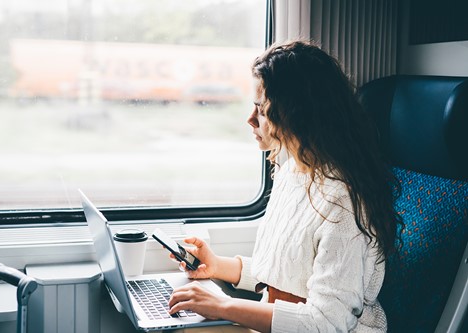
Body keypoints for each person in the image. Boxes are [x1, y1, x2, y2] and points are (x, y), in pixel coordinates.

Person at [168, 40, 402, 333]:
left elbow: (326, 323)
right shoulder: (292, 169)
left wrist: (222, 306)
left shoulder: (343, 204)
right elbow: (288, 278)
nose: (250, 120)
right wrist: (217, 266)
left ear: (296, 115)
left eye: (262, 111)